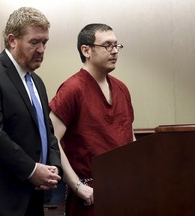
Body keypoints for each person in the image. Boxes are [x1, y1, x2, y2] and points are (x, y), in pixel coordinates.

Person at [0, 7, 62, 216]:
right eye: (35, 42)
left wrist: (53, 167)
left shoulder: (37, 82)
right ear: (12, 40)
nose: (42, 49)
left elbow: (48, 133)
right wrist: (32, 170)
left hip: (32, 197)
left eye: (45, 42)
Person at [49, 23, 136, 216]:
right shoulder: (72, 89)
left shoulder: (121, 88)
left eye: (116, 45)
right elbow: (51, 139)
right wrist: (77, 185)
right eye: (107, 46)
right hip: (90, 195)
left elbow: (130, 138)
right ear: (86, 50)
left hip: (124, 192)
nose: (114, 51)